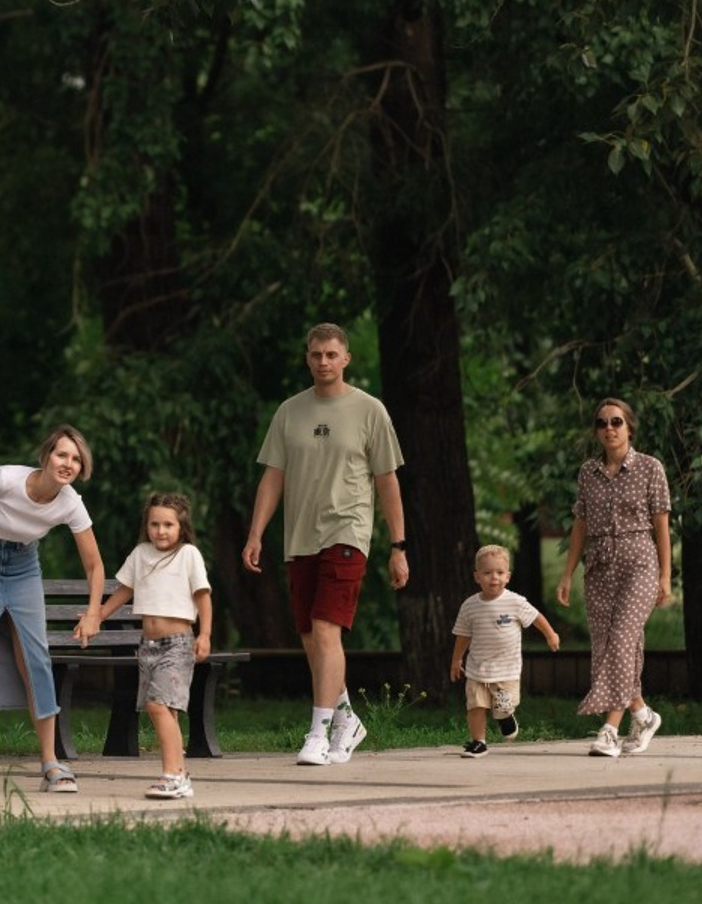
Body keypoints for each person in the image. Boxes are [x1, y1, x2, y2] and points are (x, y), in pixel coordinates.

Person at [242, 322, 409, 766]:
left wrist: (398, 544)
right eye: (316, 354)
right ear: (307, 357)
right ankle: (347, 718)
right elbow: (272, 476)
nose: (323, 362)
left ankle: (317, 731)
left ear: (346, 358)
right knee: (311, 638)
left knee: (326, 629)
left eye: (331, 355)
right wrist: (256, 533)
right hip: (300, 536)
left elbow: (387, 479)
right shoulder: (289, 412)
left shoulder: (369, 410)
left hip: (348, 530)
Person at [0, 425, 105, 796]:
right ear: (47, 455)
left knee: (36, 658)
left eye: (76, 459)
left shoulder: (70, 502)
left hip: (22, 567)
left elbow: (95, 566)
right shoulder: (5, 479)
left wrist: (93, 612)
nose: (68, 463)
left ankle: (51, 764)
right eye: (62, 454)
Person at [74, 493, 213, 799]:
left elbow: (203, 596)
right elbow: (124, 590)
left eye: (168, 524)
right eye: (154, 524)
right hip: (147, 645)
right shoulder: (140, 554)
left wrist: (205, 635)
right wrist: (95, 616)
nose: (160, 531)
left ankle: (171, 775)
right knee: (167, 712)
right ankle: (180, 777)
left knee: (157, 705)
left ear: (181, 526)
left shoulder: (188, 554)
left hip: (178, 643)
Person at [556, 398, 671, 758]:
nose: (609, 428)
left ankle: (609, 729)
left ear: (629, 427)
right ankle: (643, 713)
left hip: (640, 563)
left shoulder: (651, 468)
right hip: (600, 567)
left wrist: (665, 577)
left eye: (617, 421)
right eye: (602, 422)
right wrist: (567, 573)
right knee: (607, 647)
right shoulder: (587, 472)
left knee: (622, 639)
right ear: (596, 431)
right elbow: (580, 525)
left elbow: (662, 527)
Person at [450, 544, 561, 757]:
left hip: (506, 669)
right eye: (487, 573)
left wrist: (550, 634)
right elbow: (463, 635)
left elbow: (536, 617)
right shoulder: (469, 606)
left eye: (500, 573)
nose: (494, 578)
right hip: (477, 669)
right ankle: (478, 742)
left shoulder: (515, 602)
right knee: (475, 706)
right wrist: (456, 660)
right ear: (477, 577)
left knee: (503, 706)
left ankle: (505, 716)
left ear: (508, 576)